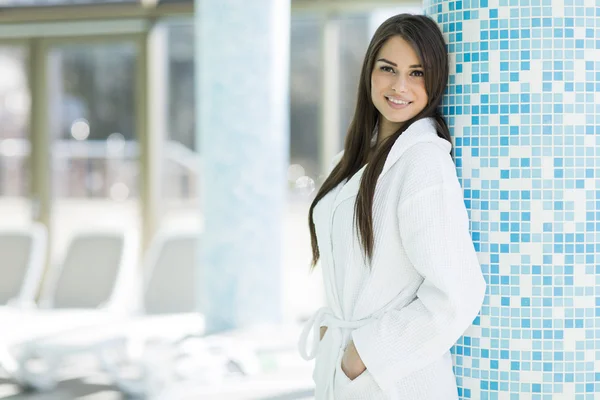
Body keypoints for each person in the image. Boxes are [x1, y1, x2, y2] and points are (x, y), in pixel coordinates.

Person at [298, 13, 487, 400]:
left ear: (434, 82)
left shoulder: (423, 162)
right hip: (346, 375)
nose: (400, 86)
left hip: (396, 383)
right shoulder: (351, 160)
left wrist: (363, 353)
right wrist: (334, 336)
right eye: (389, 69)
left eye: (417, 73)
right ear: (370, 71)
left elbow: (459, 292)